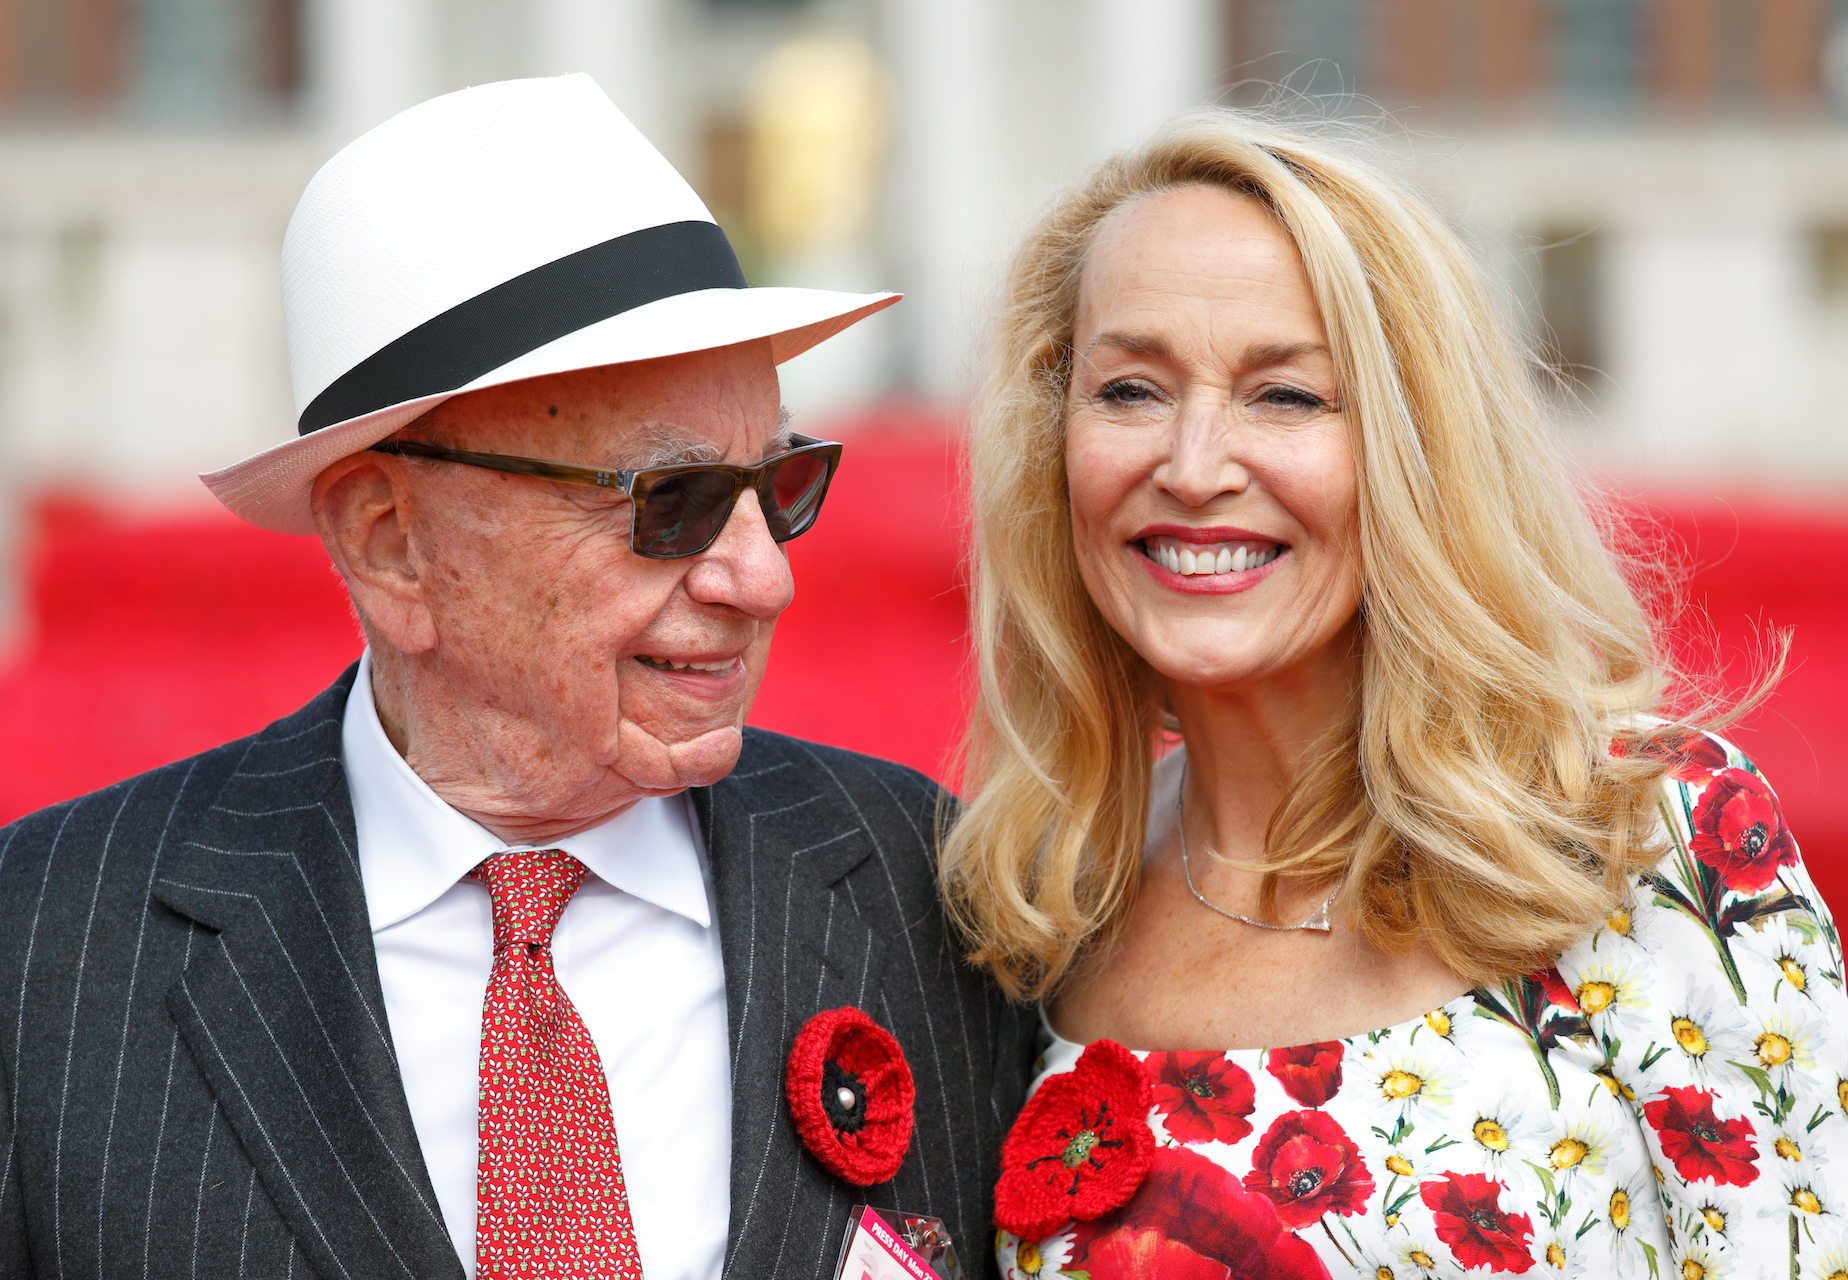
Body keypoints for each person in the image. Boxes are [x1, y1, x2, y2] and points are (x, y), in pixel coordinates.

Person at [0, 75, 1033, 1280]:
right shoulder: (47, 952)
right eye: (677, 501)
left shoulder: (938, 891)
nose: (762, 576)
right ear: (393, 542)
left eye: (780, 484)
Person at [942, 110, 1848, 1279]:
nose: (1195, 463)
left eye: (1287, 397)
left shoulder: (1641, 835)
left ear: (1419, 451)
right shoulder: (1041, 901)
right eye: (1130, 390)